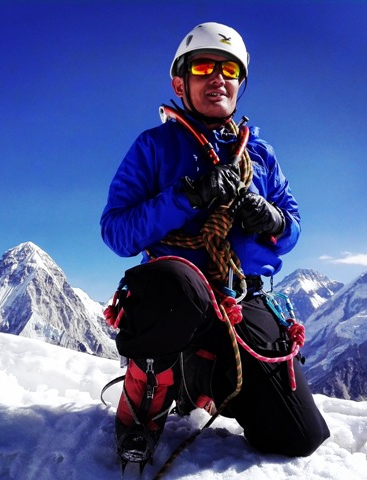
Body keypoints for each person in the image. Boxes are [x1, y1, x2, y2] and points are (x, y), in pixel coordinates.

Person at [100, 22, 329, 470]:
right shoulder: (154, 147)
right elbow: (117, 231)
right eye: (204, 66)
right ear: (179, 82)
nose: (217, 77)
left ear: (240, 84)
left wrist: (273, 219)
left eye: (228, 69)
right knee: (171, 283)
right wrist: (186, 197)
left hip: (242, 298)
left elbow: (293, 225)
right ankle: (142, 411)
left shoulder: (259, 155)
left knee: (299, 436)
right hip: (178, 297)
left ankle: (199, 375)